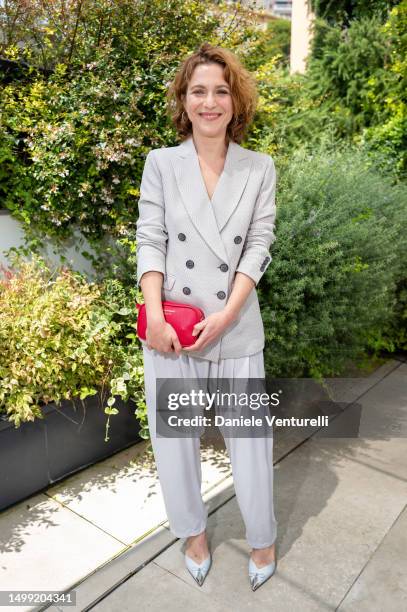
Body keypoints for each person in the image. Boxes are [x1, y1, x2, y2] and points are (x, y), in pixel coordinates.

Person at [136, 42, 278, 591]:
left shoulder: (259, 167)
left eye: (221, 90)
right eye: (199, 90)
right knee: (175, 440)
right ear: (184, 99)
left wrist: (229, 312)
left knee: (251, 441)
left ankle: (262, 539)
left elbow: (258, 246)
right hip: (172, 328)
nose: (210, 101)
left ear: (234, 101)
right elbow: (150, 240)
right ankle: (194, 533)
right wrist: (156, 318)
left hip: (235, 323)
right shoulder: (161, 164)